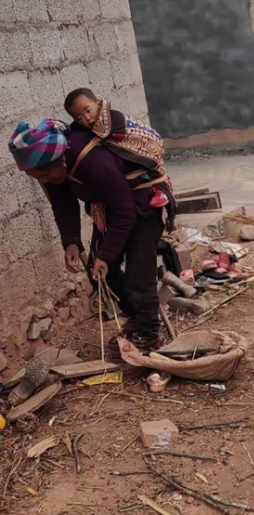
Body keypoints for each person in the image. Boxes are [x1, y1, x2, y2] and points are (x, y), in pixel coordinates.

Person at [8, 115, 172, 351]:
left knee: (138, 276)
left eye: (43, 176)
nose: (43, 181)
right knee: (99, 272)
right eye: (37, 179)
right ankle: (135, 320)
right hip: (111, 208)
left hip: (143, 204)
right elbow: (63, 204)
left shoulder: (94, 163)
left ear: (61, 162)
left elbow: (125, 213)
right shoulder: (52, 168)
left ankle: (149, 337)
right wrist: (71, 241)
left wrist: (106, 254)